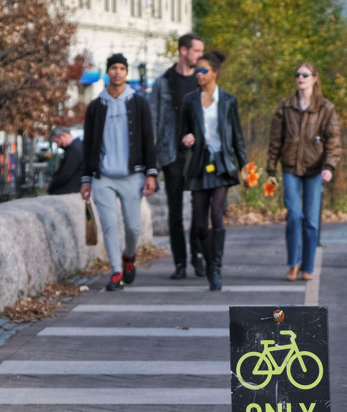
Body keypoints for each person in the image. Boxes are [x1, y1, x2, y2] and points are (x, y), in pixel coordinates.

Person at [80, 53, 159, 291]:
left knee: (133, 227)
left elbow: (148, 139)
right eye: (113, 67)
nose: (117, 72)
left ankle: (129, 256)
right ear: (107, 72)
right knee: (109, 226)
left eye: (121, 68)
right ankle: (116, 271)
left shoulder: (138, 103)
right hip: (102, 177)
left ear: (126, 73)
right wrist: (86, 180)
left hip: (132, 175)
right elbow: (88, 144)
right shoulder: (96, 106)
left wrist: (151, 173)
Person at [266, 62, 342, 281]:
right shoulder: (285, 107)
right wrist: (271, 168)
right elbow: (275, 140)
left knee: (310, 219)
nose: (300, 78)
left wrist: (329, 167)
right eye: (297, 74)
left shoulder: (326, 108)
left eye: (305, 74)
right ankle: (293, 263)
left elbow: (334, 141)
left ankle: (308, 265)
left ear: (314, 78)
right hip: (290, 167)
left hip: (315, 169)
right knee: (293, 214)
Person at [180, 50, 247, 291]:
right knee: (200, 224)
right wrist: (186, 138)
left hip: (221, 164)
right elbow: (183, 132)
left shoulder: (228, 100)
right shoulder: (189, 100)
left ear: (215, 72)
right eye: (196, 70)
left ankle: (215, 269)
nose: (198, 74)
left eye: (203, 70)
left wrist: (245, 165)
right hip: (199, 164)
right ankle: (209, 263)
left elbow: (237, 136)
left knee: (216, 215)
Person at [150, 32, 205, 279]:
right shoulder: (164, 82)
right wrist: (151, 163)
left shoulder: (201, 81)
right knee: (175, 212)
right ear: (183, 51)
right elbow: (152, 122)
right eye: (197, 51)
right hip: (171, 154)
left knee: (199, 210)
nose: (200, 56)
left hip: (198, 156)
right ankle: (180, 263)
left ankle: (198, 256)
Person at [45, 126, 83, 195]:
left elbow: (65, 174)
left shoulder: (74, 149)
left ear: (63, 136)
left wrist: (51, 187)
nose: (58, 145)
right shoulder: (77, 146)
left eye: (57, 142)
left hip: (70, 190)